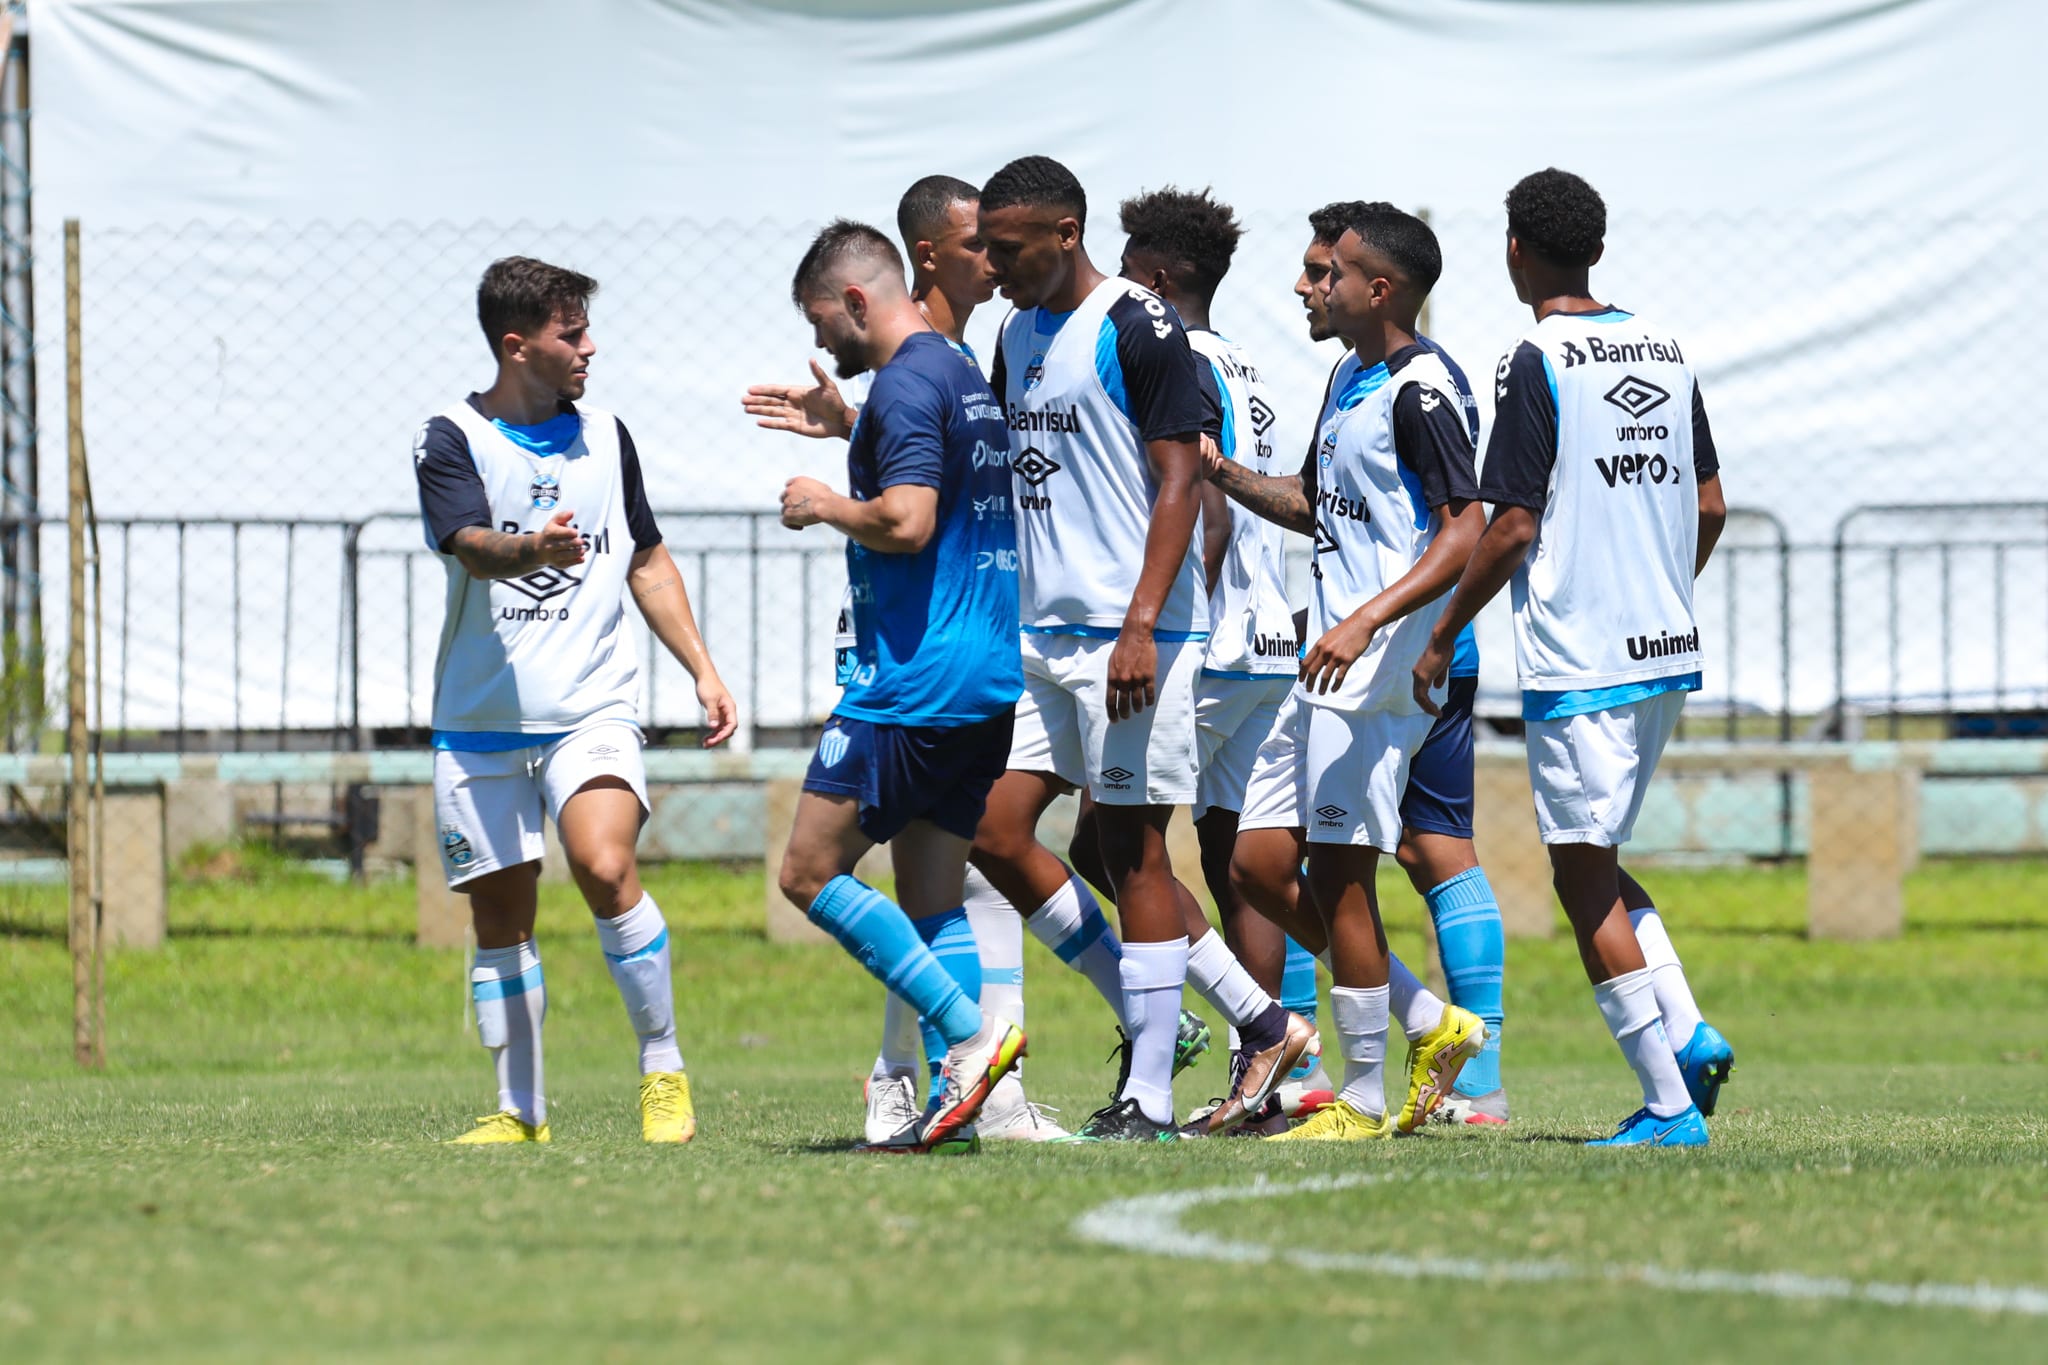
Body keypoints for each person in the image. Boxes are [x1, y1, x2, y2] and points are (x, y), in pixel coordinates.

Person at [1411, 168, 1732, 1147]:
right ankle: (1688, 1029)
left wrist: (1440, 629)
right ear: (1595, 244)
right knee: (1602, 858)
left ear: (1516, 249)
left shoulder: (1530, 357)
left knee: (1578, 876)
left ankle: (1668, 1105)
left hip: (1580, 655)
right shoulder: (1666, 349)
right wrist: (1656, 588)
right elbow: (1708, 505)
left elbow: (1509, 527)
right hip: (1662, 648)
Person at [741, 176, 1060, 1142]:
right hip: (985, 680)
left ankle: (970, 1038)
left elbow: (909, 520)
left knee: (806, 872)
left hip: (911, 682)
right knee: (931, 901)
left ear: (855, 300)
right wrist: (852, 426)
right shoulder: (956, 371)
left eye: (821, 320)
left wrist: (821, 501)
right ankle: (978, 1105)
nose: (821, 342)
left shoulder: (910, 385)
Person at [414, 256, 738, 1145]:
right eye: (572, 333)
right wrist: (531, 551)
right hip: (479, 718)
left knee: (603, 865)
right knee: (499, 917)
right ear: (518, 346)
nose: (590, 347)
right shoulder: (449, 436)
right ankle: (521, 1110)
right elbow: (471, 544)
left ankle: (663, 1070)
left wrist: (702, 669)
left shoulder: (607, 434)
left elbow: (644, 558)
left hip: (591, 706)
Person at [1213, 201, 1513, 1127]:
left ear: (1377, 288)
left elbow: (1467, 525)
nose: (1310, 286)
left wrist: (1371, 620)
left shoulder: (1422, 389)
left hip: (1374, 664)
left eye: (1325, 272)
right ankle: (1430, 1019)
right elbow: (1315, 501)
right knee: (1258, 862)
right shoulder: (1349, 377)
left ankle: (1362, 1092)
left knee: (1344, 872)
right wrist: (1218, 470)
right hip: (1328, 658)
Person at [970, 155, 1227, 1142]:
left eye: (1006, 246)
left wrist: (1138, 625)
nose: (991, 265)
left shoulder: (1137, 327)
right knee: (994, 835)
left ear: (1063, 233)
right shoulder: (1012, 329)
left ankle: (1149, 1098)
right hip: (1037, 635)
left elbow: (1178, 483)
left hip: (1136, 638)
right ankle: (1206, 1018)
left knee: (1130, 849)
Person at [1100, 185, 1323, 1136]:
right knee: (1236, 865)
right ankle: (1257, 1086)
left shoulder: (1173, 357)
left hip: (1211, 638)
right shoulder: (1254, 364)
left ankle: (1247, 1030)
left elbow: (1207, 497)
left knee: (1114, 845)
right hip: (1272, 642)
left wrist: (1162, 616)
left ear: (1152, 276)